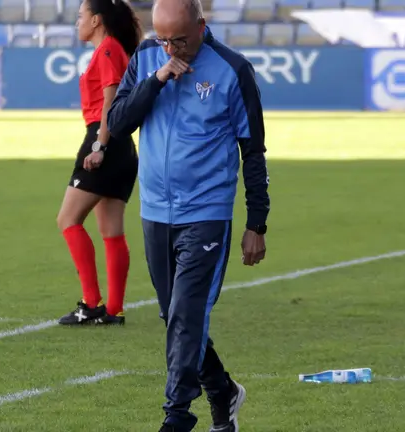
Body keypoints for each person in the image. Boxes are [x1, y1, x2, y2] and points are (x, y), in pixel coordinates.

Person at [107, 0, 270, 429]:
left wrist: (257, 222)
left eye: (179, 39)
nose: (171, 48)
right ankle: (224, 392)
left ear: (202, 25)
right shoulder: (146, 58)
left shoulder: (233, 70)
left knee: (186, 315)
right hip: (156, 209)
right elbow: (118, 123)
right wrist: (158, 78)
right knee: (174, 317)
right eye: (163, 39)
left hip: (207, 211)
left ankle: (176, 416)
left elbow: (252, 151)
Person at [56, 0, 142, 326]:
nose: (77, 22)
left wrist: (99, 146)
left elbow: (111, 101)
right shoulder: (113, 49)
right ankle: (113, 310)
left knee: (67, 218)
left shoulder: (107, 51)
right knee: (111, 230)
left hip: (105, 141)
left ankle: (91, 303)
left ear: (95, 20)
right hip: (122, 147)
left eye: (80, 16)